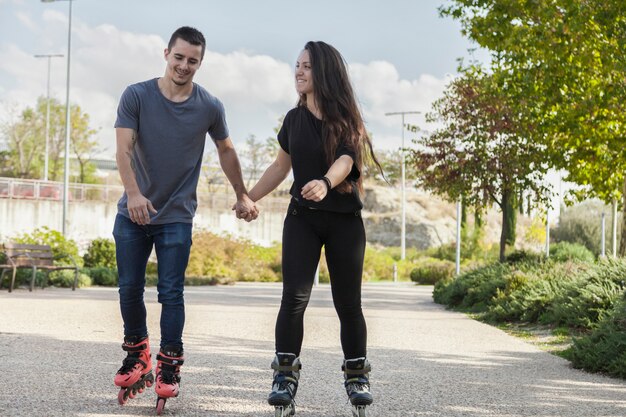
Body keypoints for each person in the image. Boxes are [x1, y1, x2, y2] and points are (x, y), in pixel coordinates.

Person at [112, 26, 257, 410]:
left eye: (193, 61)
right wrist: (133, 193)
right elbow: (123, 150)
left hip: (176, 215)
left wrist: (242, 193)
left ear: (200, 63)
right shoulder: (137, 95)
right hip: (133, 212)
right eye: (179, 57)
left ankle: (170, 364)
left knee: (171, 292)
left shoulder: (209, 106)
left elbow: (226, 150)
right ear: (166, 54)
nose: (184, 66)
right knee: (128, 288)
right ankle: (137, 352)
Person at [245, 40, 384, 416]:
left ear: (324, 72)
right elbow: (280, 167)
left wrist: (324, 181)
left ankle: (357, 374)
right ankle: (284, 377)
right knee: (294, 299)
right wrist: (249, 196)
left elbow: (346, 160)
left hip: (345, 223)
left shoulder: (347, 120)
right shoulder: (293, 120)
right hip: (302, 219)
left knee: (348, 303)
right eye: (297, 65)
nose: (298, 72)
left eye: (306, 66)